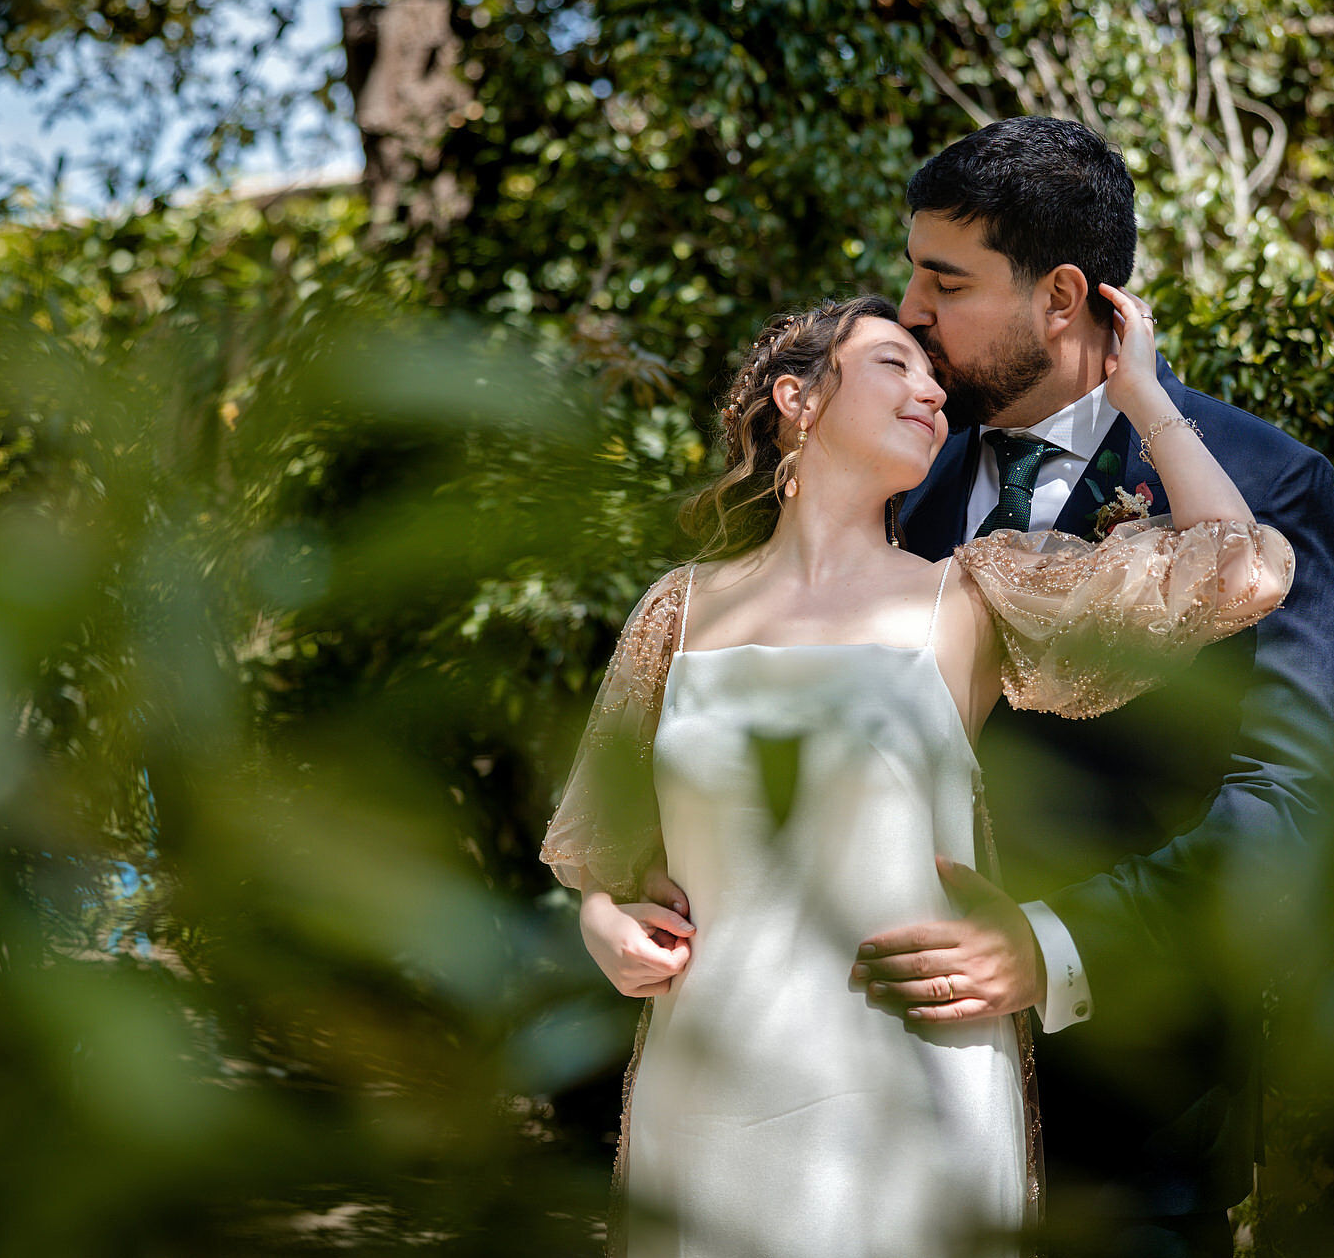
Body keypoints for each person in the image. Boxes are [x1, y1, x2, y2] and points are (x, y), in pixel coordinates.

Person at [540, 275, 1296, 1257]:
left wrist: (1139, 394)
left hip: (910, 1092)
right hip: (708, 1090)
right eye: (892, 363)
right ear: (796, 398)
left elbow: (1239, 571)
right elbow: (595, 846)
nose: (933, 391)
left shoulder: (973, 595)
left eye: (936, 381)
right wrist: (604, 926)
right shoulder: (675, 610)